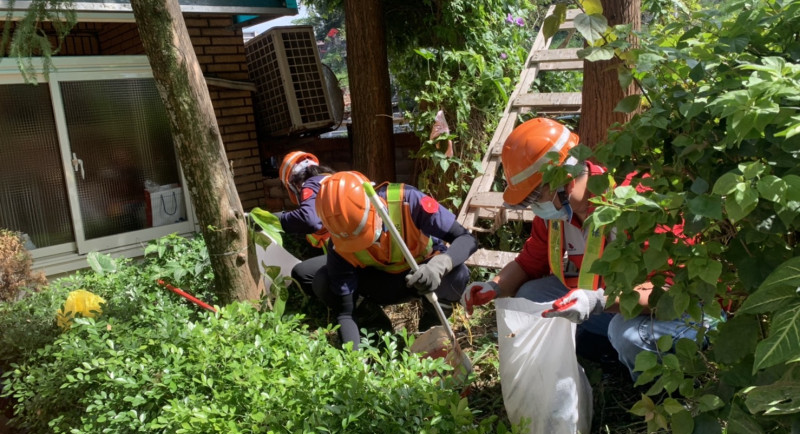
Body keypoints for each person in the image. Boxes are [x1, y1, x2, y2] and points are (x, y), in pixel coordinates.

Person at [462, 117, 707, 377]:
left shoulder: (636, 198)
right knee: (529, 295)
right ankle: (608, 355)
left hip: (680, 312)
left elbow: (671, 292)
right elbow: (528, 263)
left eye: (535, 197)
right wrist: (494, 287)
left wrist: (597, 301)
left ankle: (666, 396)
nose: (534, 208)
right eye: (527, 202)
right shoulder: (554, 216)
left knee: (626, 335)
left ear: (564, 180)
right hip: (610, 303)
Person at [312, 170, 478, 349]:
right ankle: (375, 325)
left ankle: (431, 327)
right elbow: (345, 312)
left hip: (423, 277)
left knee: (457, 274)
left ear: (373, 205)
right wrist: (354, 356)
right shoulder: (339, 245)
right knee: (324, 280)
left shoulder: (407, 201)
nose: (361, 245)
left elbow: (467, 239)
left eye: (362, 235)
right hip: (380, 285)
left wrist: (439, 266)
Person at [275, 151, 334, 295]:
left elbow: (309, 220)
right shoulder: (332, 181)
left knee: (302, 273)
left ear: (294, 185)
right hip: (368, 248)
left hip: (351, 256)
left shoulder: (309, 185)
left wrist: (276, 219)